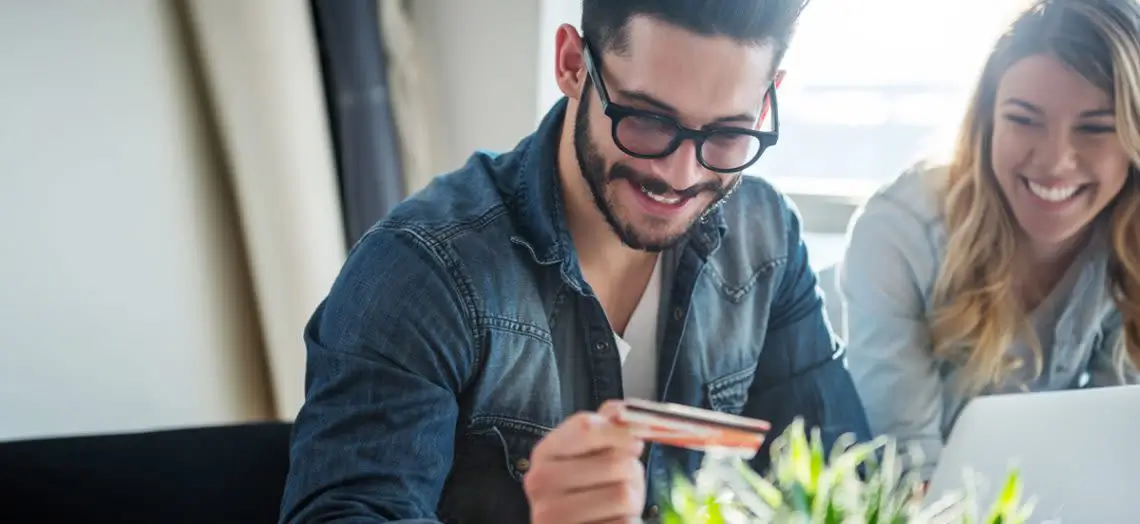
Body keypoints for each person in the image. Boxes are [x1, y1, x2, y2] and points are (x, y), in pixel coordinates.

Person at [279, 1, 872, 523]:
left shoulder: (765, 237)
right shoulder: (421, 272)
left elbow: (847, 483)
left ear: (769, 96)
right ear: (571, 64)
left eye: (726, 133)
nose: (681, 175)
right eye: (647, 119)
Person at [841, 0, 1140, 484]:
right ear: (987, 122)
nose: (1055, 161)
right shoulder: (901, 233)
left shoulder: (1126, 238)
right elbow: (905, 467)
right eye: (1024, 119)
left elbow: (1115, 448)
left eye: (1095, 128)